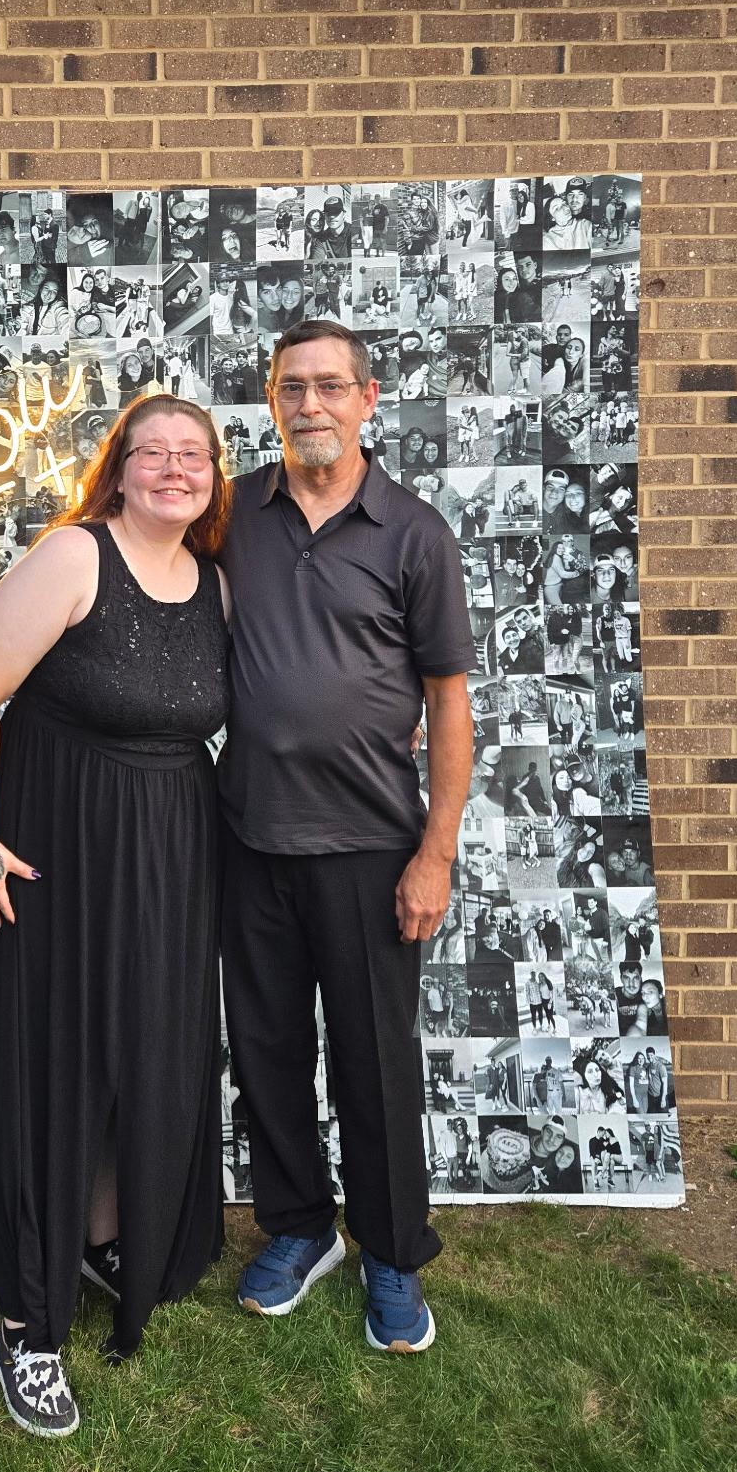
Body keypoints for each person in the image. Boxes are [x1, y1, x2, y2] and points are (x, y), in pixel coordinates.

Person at [0, 393, 232, 1438]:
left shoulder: (216, 585)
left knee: (143, 1051)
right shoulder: (74, 558)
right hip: (53, 847)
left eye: (190, 454)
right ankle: (27, 1319)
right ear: (118, 468)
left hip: (168, 851)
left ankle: (106, 1233)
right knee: (54, 1061)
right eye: (151, 451)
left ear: (212, 476)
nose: (171, 468)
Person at [219, 319, 474, 1355]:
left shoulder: (413, 531)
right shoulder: (232, 511)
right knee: (268, 1053)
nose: (310, 403)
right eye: (292, 387)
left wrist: (436, 851)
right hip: (251, 835)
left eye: (331, 385)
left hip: (373, 846)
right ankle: (296, 1226)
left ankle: (391, 1251)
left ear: (371, 398)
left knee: (374, 1063)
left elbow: (449, 704)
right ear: (271, 399)